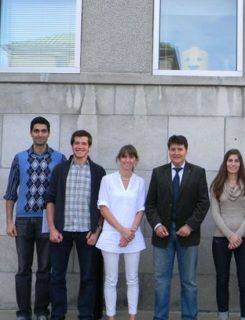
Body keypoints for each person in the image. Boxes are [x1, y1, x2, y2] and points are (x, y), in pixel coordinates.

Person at [4, 116, 66, 320]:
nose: (40, 134)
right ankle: (23, 312)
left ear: (49, 133)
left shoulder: (59, 158)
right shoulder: (19, 158)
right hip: (22, 221)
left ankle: (41, 310)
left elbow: (63, 192)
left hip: (47, 221)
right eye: (36, 131)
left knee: (44, 269)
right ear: (31, 133)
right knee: (23, 269)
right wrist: (9, 221)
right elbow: (11, 192)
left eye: (43, 131)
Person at [145, 134, 210, 320]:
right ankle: (160, 317)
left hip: (187, 235)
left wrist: (190, 225)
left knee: (188, 282)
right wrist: (156, 225)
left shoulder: (198, 172)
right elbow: (150, 204)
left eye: (180, 149)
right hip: (162, 235)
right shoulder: (158, 172)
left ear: (186, 151)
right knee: (160, 282)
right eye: (173, 149)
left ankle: (189, 317)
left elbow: (203, 203)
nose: (176, 153)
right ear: (169, 151)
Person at [45, 130, 106, 320]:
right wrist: (52, 228)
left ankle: (85, 315)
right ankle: (58, 314)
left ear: (90, 146)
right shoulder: (60, 170)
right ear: (72, 145)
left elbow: (103, 205)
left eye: (84, 143)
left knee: (88, 277)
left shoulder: (98, 172)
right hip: (62, 232)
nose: (80, 146)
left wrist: (97, 231)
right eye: (77, 143)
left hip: (87, 233)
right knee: (57, 276)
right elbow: (50, 200)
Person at [96, 145, 146, 320]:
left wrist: (130, 232)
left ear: (135, 160)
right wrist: (121, 230)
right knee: (111, 280)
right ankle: (111, 317)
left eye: (131, 157)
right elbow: (103, 207)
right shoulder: (107, 180)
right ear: (119, 159)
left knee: (132, 279)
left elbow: (140, 209)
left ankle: (132, 317)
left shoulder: (140, 181)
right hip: (111, 237)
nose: (127, 160)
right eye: (124, 157)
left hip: (133, 238)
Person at [210, 149, 245, 320]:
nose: (233, 163)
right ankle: (223, 316)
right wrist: (230, 235)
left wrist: (239, 235)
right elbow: (215, 214)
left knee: (244, 281)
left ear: (240, 163)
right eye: (230, 160)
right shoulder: (216, 184)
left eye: (236, 160)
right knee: (222, 280)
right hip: (221, 240)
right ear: (225, 163)